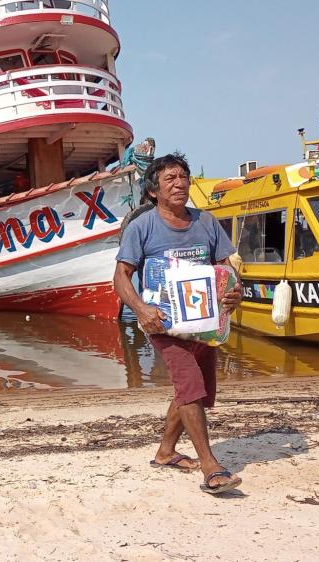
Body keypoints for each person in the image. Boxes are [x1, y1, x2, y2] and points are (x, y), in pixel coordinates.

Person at [113, 152, 244, 495]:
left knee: (196, 389)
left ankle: (166, 452)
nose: (179, 183)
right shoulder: (142, 227)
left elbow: (225, 271)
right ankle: (210, 466)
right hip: (163, 324)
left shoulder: (206, 222)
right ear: (154, 191)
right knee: (190, 385)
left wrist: (234, 294)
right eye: (169, 179)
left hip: (205, 322)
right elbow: (121, 277)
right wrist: (141, 310)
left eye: (183, 177)